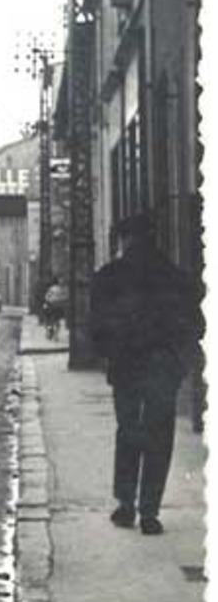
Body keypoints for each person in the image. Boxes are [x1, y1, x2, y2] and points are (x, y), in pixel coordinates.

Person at [88, 214, 204, 535]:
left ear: (123, 240)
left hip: (125, 366)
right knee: (159, 436)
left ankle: (126, 504)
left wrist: (109, 355)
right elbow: (197, 323)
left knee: (128, 431)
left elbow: (95, 326)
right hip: (162, 367)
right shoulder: (175, 278)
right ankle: (150, 511)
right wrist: (179, 362)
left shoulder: (109, 277)